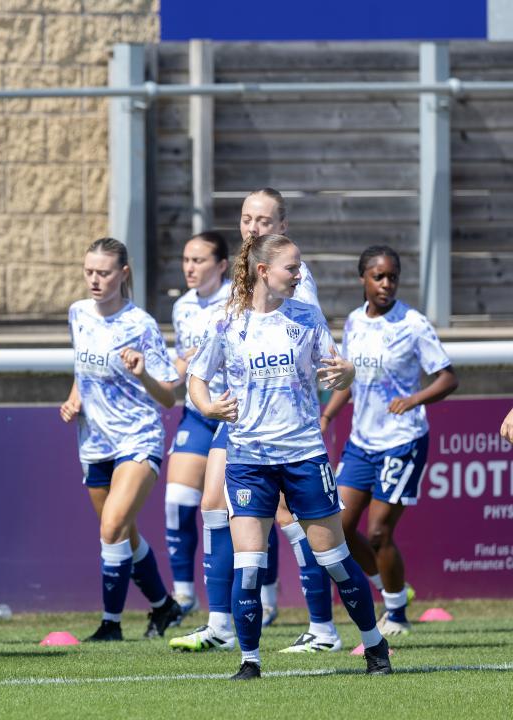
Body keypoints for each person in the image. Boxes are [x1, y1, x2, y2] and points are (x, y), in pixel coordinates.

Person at [186, 232, 392, 679]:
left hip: (303, 455)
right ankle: (249, 662)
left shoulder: (306, 316)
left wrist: (347, 372)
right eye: (292, 268)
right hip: (247, 459)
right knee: (249, 565)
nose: (299, 275)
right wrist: (206, 406)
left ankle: (376, 646)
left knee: (334, 560)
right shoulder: (228, 323)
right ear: (263, 271)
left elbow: (338, 370)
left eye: (299, 267)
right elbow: (196, 378)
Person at [171, 189, 338, 655]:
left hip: (285, 421)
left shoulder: (293, 279)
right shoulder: (241, 282)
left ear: (281, 224)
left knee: (289, 517)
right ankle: (222, 622)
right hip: (241, 412)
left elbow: (319, 352)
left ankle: (322, 626)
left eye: (263, 220)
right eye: (246, 218)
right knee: (212, 503)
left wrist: (316, 406)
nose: (252, 227)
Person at [321, 245, 457, 637]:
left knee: (379, 532)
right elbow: (349, 378)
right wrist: (328, 413)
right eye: (378, 277)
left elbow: (448, 377)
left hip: (403, 440)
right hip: (362, 442)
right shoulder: (353, 322)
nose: (386, 284)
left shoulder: (412, 324)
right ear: (362, 279)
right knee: (338, 528)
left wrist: (414, 398)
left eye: (392, 277)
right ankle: (392, 590)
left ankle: (396, 614)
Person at [61, 237, 184, 642]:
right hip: (94, 440)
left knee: (112, 525)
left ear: (123, 274)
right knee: (122, 532)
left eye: (104, 272)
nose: (94, 280)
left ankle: (110, 625)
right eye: (89, 272)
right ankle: (164, 607)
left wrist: (143, 374)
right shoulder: (78, 313)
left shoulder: (140, 325)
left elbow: (169, 395)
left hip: (138, 436)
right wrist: (74, 398)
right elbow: (84, 369)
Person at [165, 231, 230, 619]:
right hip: (196, 414)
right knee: (177, 503)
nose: (190, 267)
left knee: (236, 512)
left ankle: (267, 597)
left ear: (221, 265)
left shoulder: (237, 302)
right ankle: (184, 597)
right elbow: (180, 367)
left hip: (231, 415)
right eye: (186, 259)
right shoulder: (183, 307)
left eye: (199, 260)